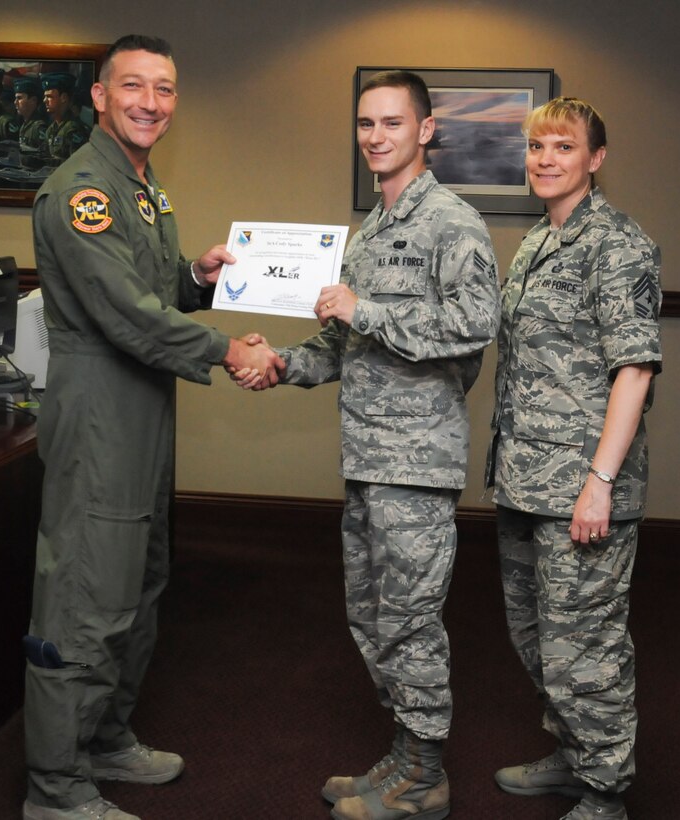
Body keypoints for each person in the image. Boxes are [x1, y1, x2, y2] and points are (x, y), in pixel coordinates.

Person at [22, 34, 283, 820]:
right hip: (102, 409)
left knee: (139, 580)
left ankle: (103, 739)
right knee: (84, 597)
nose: (150, 102)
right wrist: (225, 346)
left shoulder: (142, 187)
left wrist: (196, 280)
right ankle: (56, 786)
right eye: (133, 87)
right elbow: (124, 314)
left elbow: (152, 289)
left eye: (164, 90)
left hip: (144, 405)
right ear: (98, 96)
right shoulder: (82, 192)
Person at [236, 70, 499, 820]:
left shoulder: (452, 222)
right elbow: (341, 339)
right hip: (366, 458)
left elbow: (475, 325)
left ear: (425, 131)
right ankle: (405, 753)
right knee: (373, 615)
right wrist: (283, 364)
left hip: (417, 461)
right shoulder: (374, 230)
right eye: (365, 124)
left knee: (411, 620)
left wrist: (369, 310)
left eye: (391, 123)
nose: (375, 137)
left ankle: (425, 779)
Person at [484, 97, 662, 820]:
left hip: (581, 490)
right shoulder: (537, 241)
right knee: (535, 634)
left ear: (596, 158)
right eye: (535, 147)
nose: (545, 159)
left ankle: (605, 791)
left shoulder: (617, 244)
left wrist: (599, 483)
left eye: (562, 146)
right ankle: (571, 752)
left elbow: (636, 370)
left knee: (585, 646)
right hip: (525, 481)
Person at [41, 72, 90, 163]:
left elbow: (78, 165)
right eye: (45, 96)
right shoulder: (51, 129)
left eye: (49, 96)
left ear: (63, 98)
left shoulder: (74, 129)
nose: (45, 101)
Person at [13, 77, 48, 153]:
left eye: (19, 98)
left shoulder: (39, 127)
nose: (15, 102)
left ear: (33, 100)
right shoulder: (24, 125)